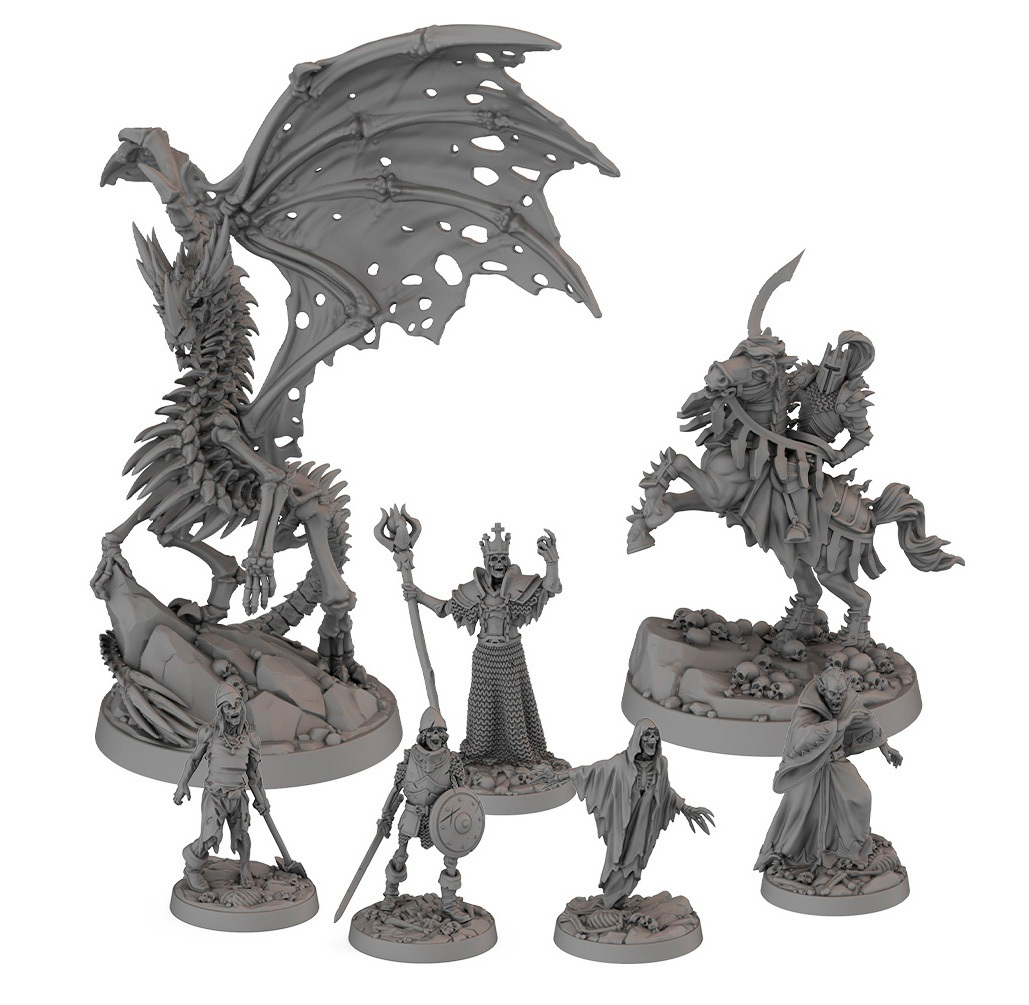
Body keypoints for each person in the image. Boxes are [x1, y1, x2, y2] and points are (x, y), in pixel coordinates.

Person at [404, 523, 560, 767]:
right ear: (487, 563)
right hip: (485, 656)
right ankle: (480, 753)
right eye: (494, 559)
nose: (499, 564)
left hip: (510, 655)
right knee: (482, 708)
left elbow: (549, 588)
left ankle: (519, 755)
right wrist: (419, 595)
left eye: (503, 559)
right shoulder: (474, 592)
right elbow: (444, 608)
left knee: (513, 707)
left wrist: (552, 562)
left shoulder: (517, 588)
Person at [754, 666, 902, 873]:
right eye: (833, 694)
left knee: (860, 798)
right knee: (802, 813)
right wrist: (839, 725)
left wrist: (885, 747)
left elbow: (866, 720)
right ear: (823, 689)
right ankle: (798, 855)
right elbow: (803, 737)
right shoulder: (808, 709)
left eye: (841, 694)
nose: (837, 699)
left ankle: (849, 850)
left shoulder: (847, 701)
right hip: (811, 768)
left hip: (837, 762)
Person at [565, 719, 714, 908]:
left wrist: (685, 808)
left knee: (635, 860)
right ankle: (610, 902)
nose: (653, 739)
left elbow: (665, 791)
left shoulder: (661, 764)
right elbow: (594, 771)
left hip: (643, 824)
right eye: (648, 735)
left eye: (655, 735)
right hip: (623, 821)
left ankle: (617, 902)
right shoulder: (621, 763)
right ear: (638, 738)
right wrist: (565, 775)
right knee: (617, 857)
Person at [173, 681, 270, 891]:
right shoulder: (209, 733)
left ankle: (245, 869)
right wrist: (182, 784)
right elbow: (194, 759)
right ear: (221, 710)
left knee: (243, 836)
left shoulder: (251, 739)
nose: (234, 710)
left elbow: (253, 774)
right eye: (228, 706)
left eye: (237, 705)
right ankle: (192, 868)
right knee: (209, 837)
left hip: (238, 795)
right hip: (215, 795)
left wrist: (262, 799)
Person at [378, 708, 469, 921]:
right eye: (432, 732)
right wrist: (386, 816)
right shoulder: (409, 758)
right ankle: (390, 895)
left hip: (441, 818)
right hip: (412, 813)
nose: (436, 736)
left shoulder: (452, 760)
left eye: (440, 732)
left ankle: (449, 904)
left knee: (451, 858)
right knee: (400, 855)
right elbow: (396, 789)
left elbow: (461, 794)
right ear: (423, 735)